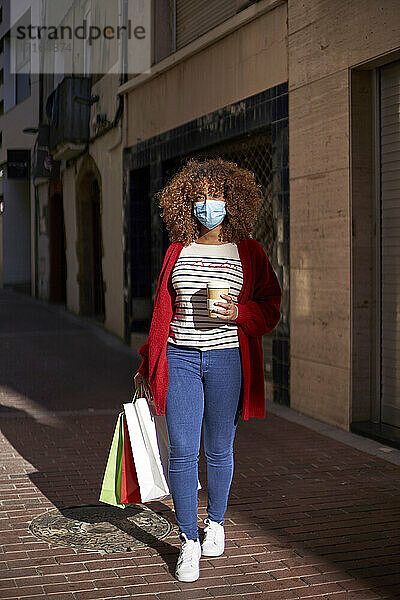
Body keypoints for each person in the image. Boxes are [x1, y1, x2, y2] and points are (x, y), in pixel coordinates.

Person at [133, 157, 282, 583]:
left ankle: (215, 521)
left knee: (218, 448)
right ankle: (188, 541)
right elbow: (164, 312)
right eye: (197, 199)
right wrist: (149, 360)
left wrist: (239, 311)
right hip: (180, 358)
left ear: (231, 200)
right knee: (181, 450)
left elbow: (271, 307)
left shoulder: (249, 251)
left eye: (214, 197)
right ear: (185, 204)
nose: (206, 206)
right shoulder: (177, 249)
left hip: (225, 360)